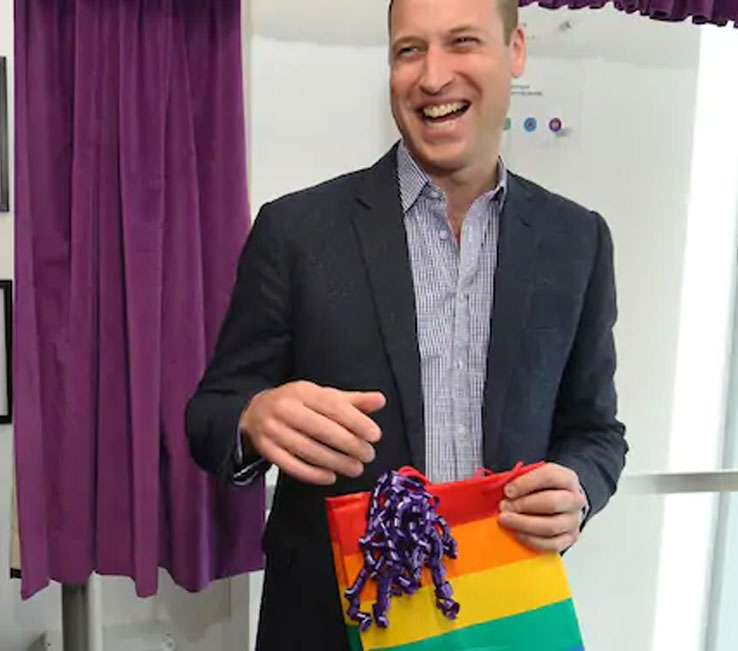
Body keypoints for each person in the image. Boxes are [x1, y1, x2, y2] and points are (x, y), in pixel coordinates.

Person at [186, 0, 627, 648]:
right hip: (330, 626)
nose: (433, 76)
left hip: (503, 617)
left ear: (516, 50)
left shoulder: (577, 240)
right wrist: (254, 419)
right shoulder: (296, 232)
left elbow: (596, 431)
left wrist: (579, 488)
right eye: (409, 50)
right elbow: (211, 415)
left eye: (462, 42)